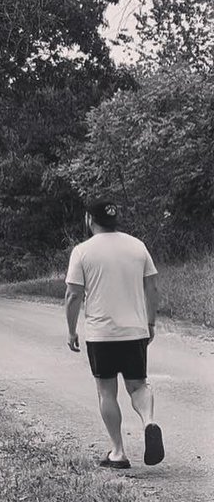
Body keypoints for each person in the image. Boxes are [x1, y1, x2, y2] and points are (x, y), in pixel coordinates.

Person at [64, 196, 163, 469]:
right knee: (138, 385)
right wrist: (150, 323)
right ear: (115, 218)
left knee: (106, 391)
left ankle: (118, 452)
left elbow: (73, 295)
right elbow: (152, 288)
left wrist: (71, 330)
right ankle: (150, 422)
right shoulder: (137, 246)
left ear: (89, 219)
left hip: (101, 333)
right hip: (135, 331)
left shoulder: (82, 251)